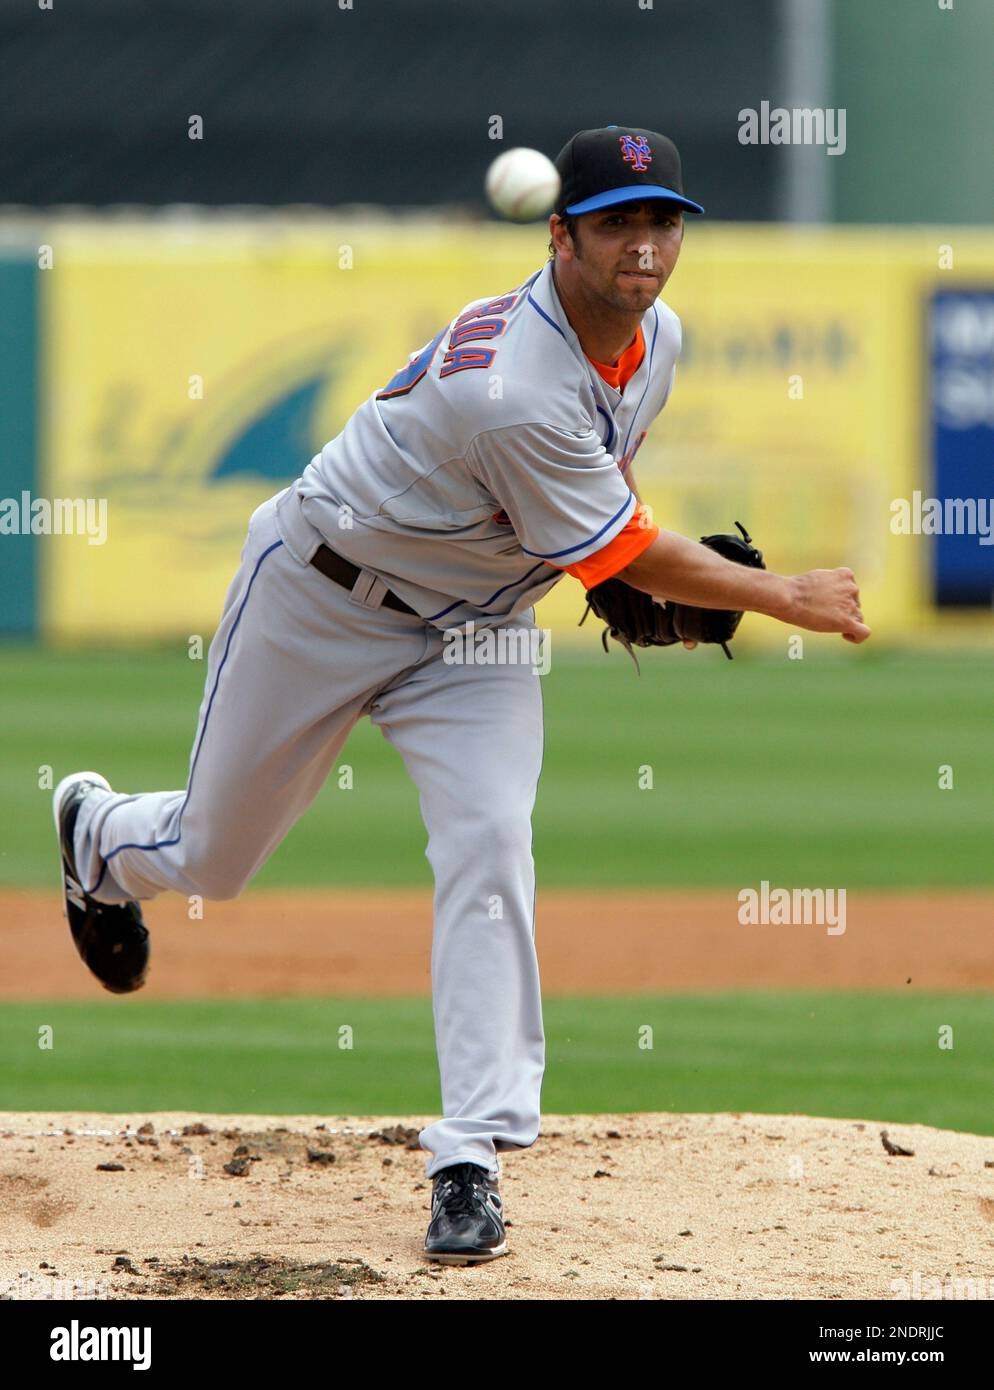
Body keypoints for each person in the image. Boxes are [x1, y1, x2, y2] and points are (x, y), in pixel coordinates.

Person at [53, 126, 869, 1267]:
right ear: (561, 235)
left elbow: (610, 490)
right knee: (214, 858)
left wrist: (614, 559)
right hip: (322, 593)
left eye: (662, 219)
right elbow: (623, 539)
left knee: (489, 843)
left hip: (474, 631)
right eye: (616, 221)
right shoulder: (508, 386)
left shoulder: (658, 341)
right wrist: (780, 592)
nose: (644, 244)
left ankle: (468, 1153)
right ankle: (97, 836)